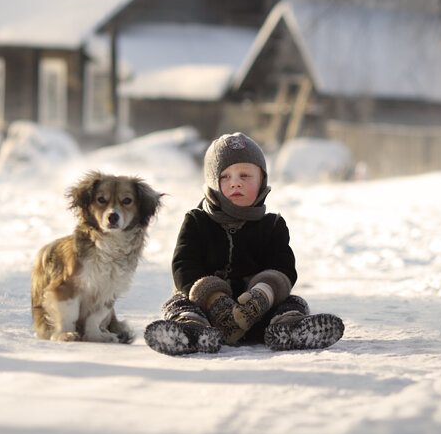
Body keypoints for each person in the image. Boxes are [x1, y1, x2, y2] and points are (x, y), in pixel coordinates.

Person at [144, 131, 344, 356]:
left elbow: (283, 267)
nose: (235, 184)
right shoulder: (197, 220)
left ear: (261, 181)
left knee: (294, 301)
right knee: (177, 303)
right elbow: (184, 266)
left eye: (245, 176)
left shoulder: (273, 225)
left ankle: (288, 329)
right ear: (212, 183)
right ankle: (192, 332)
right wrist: (212, 299)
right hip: (207, 311)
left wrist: (264, 294)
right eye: (225, 177)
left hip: (257, 313)